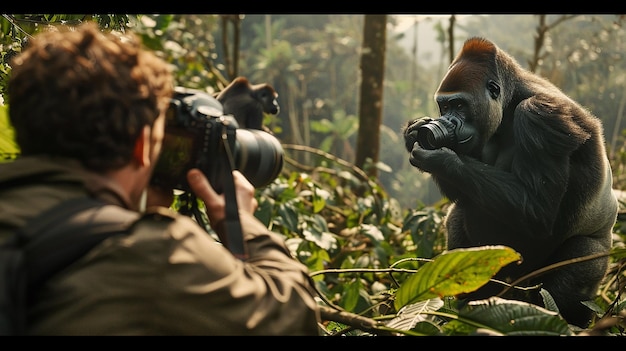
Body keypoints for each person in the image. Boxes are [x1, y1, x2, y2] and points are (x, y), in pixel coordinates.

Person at [0, 21, 321, 335]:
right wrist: (242, 223)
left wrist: (127, 205)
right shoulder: (150, 252)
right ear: (141, 146)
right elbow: (292, 312)